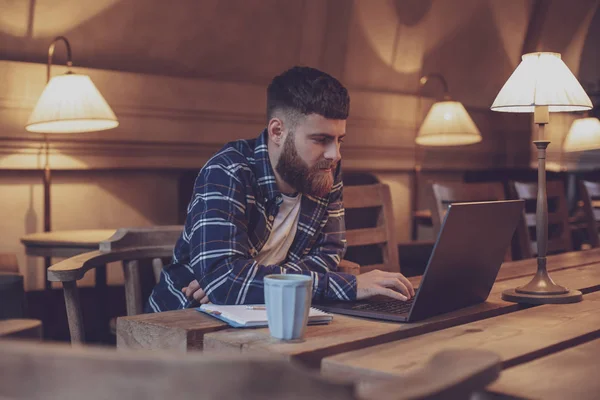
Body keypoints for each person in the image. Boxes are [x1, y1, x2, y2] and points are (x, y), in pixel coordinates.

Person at [146, 66, 414, 312]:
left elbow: (329, 254)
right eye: (321, 139)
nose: (335, 154)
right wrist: (349, 285)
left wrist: (245, 282)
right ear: (277, 132)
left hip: (264, 316)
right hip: (184, 323)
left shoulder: (325, 167)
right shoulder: (228, 171)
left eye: (339, 140)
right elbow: (226, 283)